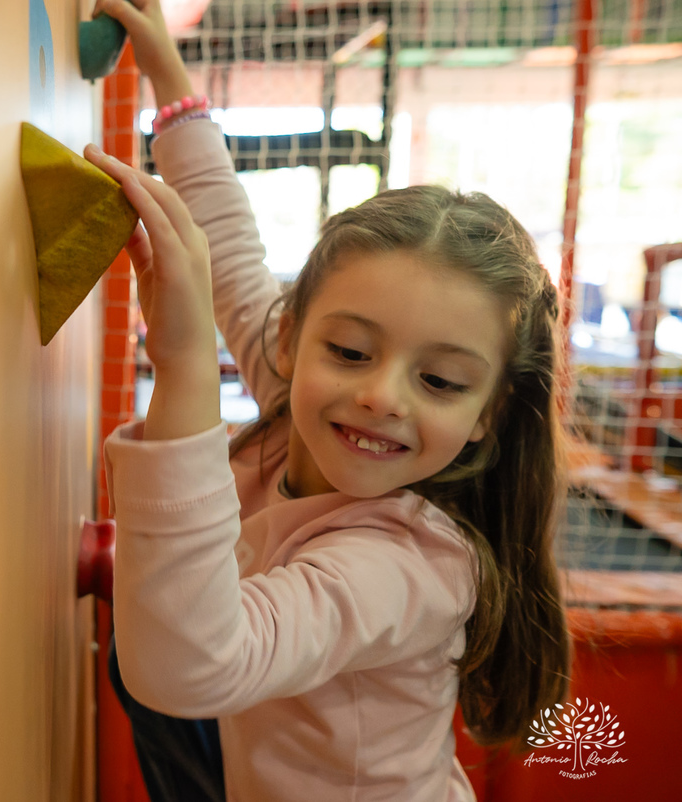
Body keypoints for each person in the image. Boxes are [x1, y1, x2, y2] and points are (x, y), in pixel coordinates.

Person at [83, 1, 573, 800]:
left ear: (488, 412)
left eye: (440, 381)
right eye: (349, 351)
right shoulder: (297, 410)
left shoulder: (411, 565)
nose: (379, 394)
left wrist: (182, 368)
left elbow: (188, 669)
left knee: (153, 653)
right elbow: (232, 247)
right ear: (294, 336)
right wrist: (167, 75)